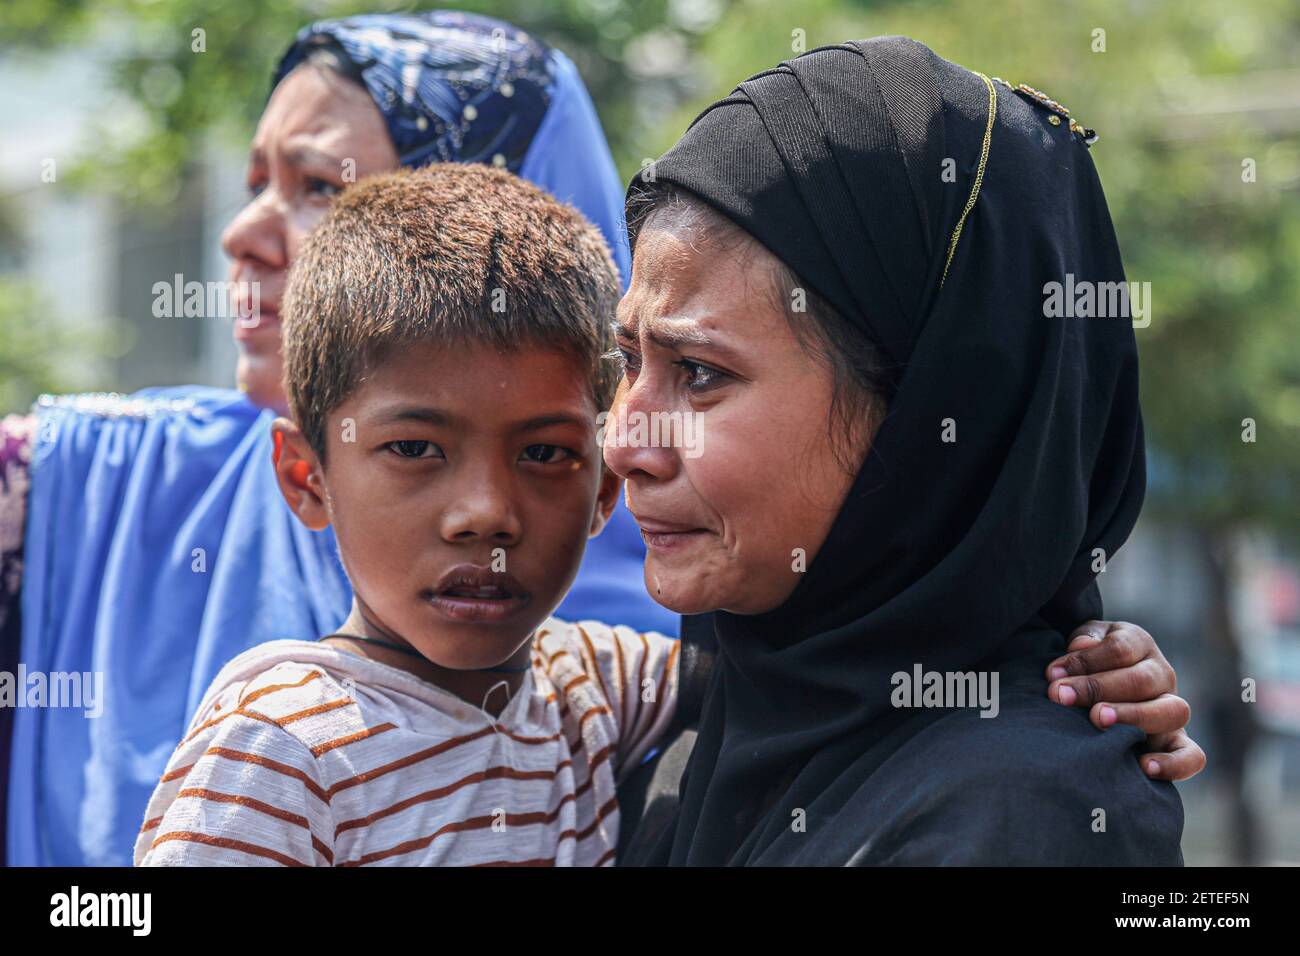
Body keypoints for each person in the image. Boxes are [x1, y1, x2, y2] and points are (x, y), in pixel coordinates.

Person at [2, 10, 674, 869]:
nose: (241, 234)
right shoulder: (118, 480)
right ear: (306, 474)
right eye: (256, 182)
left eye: (319, 186)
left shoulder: (603, 658)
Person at [609, 37, 1198, 865]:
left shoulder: (1019, 819)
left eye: (699, 373)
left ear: (925, 413)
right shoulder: (685, 734)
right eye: (627, 362)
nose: (624, 440)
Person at [136, 164, 678, 867]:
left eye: (544, 452)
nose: (486, 515)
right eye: (416, 448)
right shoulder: (282, 752)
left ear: (605, 487)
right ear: (306, 477)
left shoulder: (590, 687)